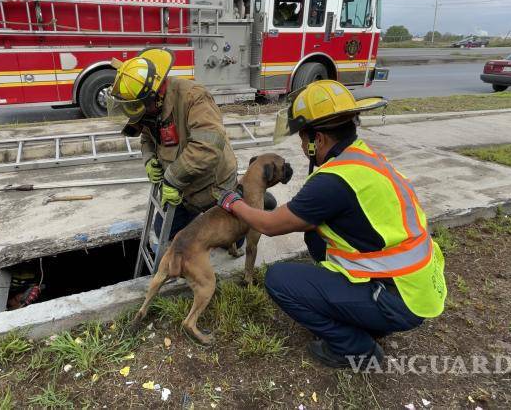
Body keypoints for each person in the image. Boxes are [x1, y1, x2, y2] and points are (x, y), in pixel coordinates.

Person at [217, 80, 447, 368]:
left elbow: (271, 225)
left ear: (319, 140)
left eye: (303, 140)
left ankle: (356, 349)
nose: (302, 148)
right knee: (314, 237)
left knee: (279, 280)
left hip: (398, 298)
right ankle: (370, 319)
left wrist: (231, 202)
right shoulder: (363, 157)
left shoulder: (333, 181)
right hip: (415, 285)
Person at [107, 48, 240, 239]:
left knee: (230, 236)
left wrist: (171, 178)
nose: (136, 112)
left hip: (212, 184)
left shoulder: (193, 97)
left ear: (157, 93)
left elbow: (207, 147)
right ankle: (201, 215)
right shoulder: (150, 107)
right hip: (182, 188)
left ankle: (244, 204)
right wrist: (149, 158)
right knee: (165, 232)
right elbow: (146, 136)